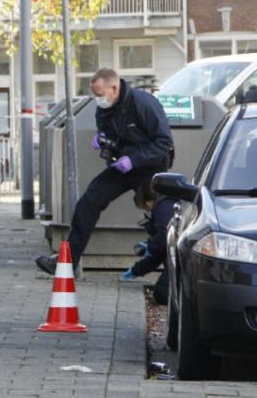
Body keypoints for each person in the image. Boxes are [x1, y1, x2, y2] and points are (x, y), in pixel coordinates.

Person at [35, 68, 174, 275]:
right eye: (95, 95)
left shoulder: (143, 103)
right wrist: (103, 141)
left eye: (100, 95)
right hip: (123, 166)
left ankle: (168, 271)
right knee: (89, 202)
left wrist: (134, 159)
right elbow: (109, 134)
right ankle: (66, 262)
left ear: (114, 88)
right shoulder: (104, 108)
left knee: (159, 217)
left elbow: (164, 142)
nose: (97, 99)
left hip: (151, 167)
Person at [120, 182, 177, 305]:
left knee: (163, 294)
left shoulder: (163, 208)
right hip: (176, 259)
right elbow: (159, 251)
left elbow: (162, 239)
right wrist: (136, 270)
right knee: (162, 293)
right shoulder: (167, 205)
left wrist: (150, 247)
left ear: (146, 203)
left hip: (180, 261)